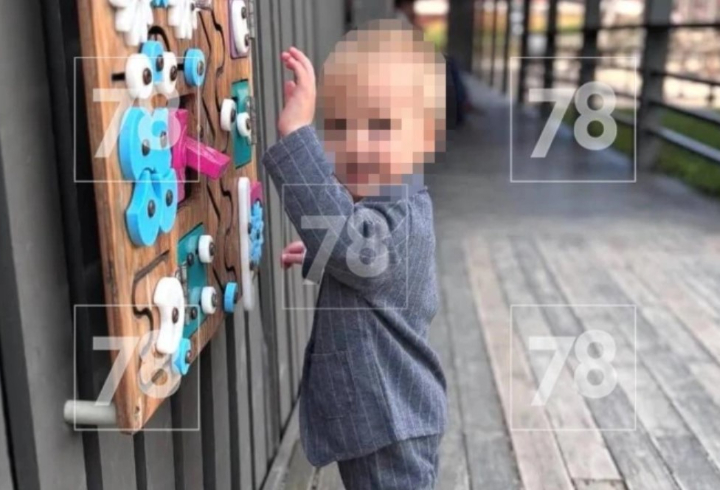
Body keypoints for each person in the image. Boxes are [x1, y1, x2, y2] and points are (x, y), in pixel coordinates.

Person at [261, 20, 448, 489]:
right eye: (340, 127)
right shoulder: (390, 210)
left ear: (425, 139)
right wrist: (321, 251)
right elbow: (363, 261)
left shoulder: (399, 218)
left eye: (381, 126)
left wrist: (296, 134)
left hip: (390, 420)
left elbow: (354, 247)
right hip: (384, 419)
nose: (357, 144)